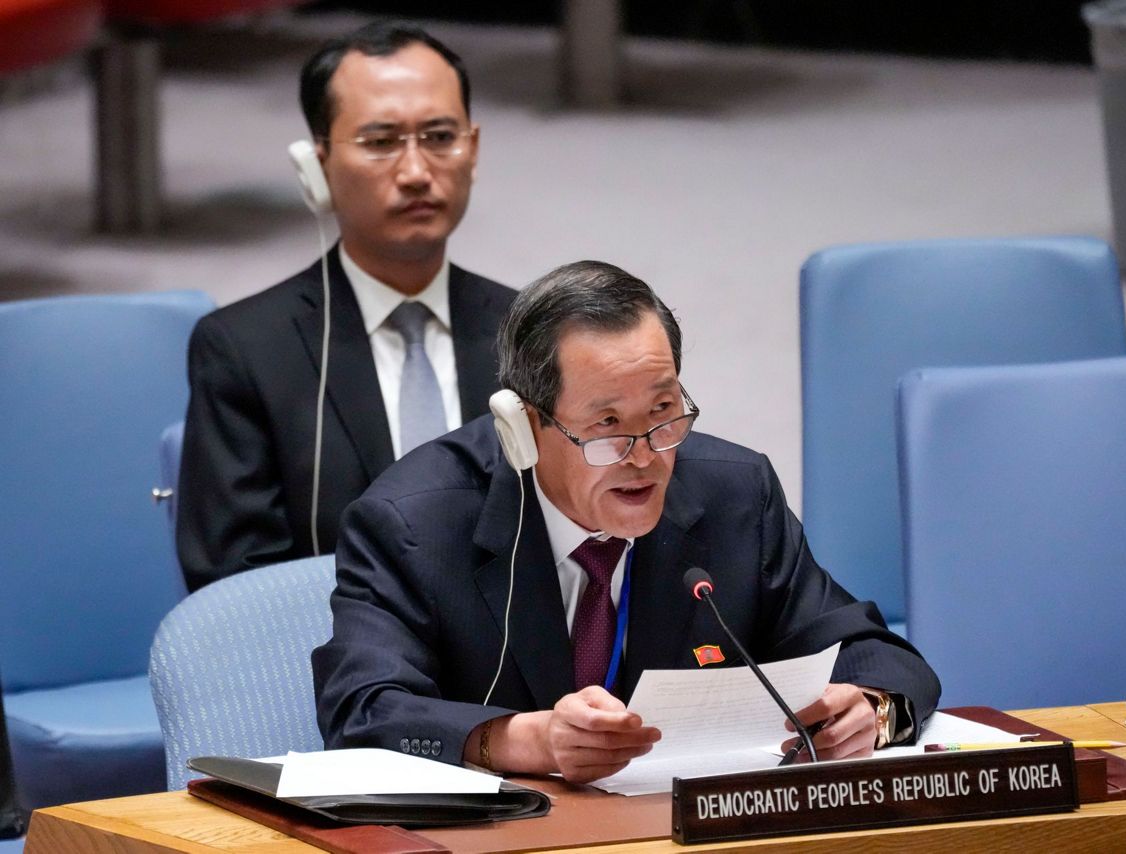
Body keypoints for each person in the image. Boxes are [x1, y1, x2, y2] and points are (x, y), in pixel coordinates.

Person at [313, 260, 940, 784]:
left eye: (663, 411)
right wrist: (524, 740)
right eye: (607, 424)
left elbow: (872, 651)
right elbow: (361, 709)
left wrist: (873, 709)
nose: (644, 457)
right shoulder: (412, 523)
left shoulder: (734, 493)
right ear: (524, 426)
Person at [178, 20, 516, 592]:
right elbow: (236, 588)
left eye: (439, 137)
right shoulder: (246, 350)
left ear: (473, 149)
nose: (416, 173)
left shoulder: (533, 332)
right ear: (317, 168)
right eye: (381, 143)